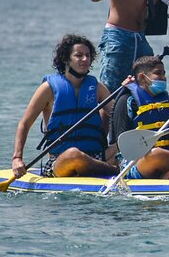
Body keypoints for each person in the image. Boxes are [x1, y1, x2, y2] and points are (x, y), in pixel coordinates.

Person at [11, 34, 119, 178]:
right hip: (62, 160)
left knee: (127, 144)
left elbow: (119, 114)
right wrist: (17, 158)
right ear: (66, 59)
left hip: (97, 156)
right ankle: (115, 171)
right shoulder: (48, 88)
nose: (85, 59)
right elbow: (24, 124)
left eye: (88, 55)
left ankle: (105, 168)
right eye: (79, 55)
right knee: (74, 154)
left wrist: (128, 93)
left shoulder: (97, 88)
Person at [109, 55, 169, 179]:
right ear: (142, 77)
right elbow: (122, 143)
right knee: (157, 154)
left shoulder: (168, 101)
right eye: (158, 74)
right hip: (136, 162)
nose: (163, 78)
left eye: (164, 73)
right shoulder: (127, 101)